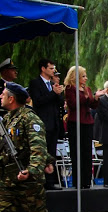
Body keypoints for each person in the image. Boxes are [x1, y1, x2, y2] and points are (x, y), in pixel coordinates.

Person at [0, 82, 64, 212]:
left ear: (12, 98)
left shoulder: (30, 119)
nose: (0, 96)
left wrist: (34, 170)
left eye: (3, 94)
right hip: (7, 180)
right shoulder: (7, 120)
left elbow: (38, 149)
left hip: (27, 180)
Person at [64, 66, 106, 189]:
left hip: (87, 121)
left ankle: (87, 180)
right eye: (83, 76)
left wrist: (96, 97)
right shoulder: (70, 89)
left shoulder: (86, 89)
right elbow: (73, 104)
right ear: (75, 77)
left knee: (87, 152)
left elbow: (92, 105)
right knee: (77, 152)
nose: (86, 78)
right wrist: (85, 96)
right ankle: (78, 181)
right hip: (75, 121)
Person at [28, 59, 65, 190]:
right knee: (42, 152)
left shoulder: (52, 83)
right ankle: (41, 181)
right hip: (42, 123)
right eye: (50, 68)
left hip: (54, 124)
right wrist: (52, 93)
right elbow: (38, 102)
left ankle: (50, 181)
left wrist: (58, 92)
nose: (53, 71)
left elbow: (60, 102)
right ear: (43, 69)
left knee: (52, 152)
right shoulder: (35, 83)